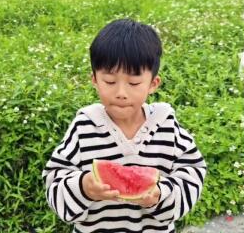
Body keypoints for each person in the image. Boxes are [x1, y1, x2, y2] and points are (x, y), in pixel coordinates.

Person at [43, 19, 206, 232]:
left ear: (153, 84)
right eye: (110, 82)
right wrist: (83, 187)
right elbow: (54, 179)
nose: (121, 92)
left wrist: (161, 194)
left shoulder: (167, 127)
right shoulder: (84, 127)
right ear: (94, 80)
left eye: (134, 83)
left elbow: (193, 172)